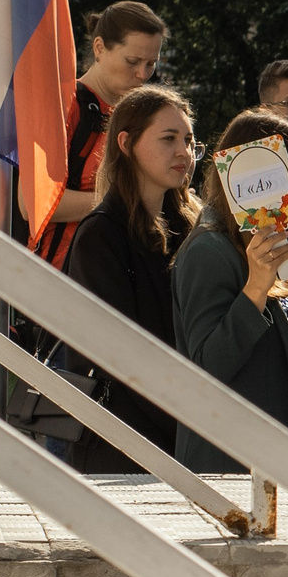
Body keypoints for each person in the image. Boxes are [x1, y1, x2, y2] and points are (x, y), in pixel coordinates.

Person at [171, 109, 288, 472]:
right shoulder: (208, 252)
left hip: (286, 457)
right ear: (259, 180)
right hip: (234, 467)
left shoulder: (265, 244)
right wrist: (256, 288)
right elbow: (207, 368)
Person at [59, 84, 196, 471]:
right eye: (168, 139)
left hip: (185, 433)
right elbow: (115, 355)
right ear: (126, 142)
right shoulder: (101, 233)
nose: (183, 152)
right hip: (121, 445)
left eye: (188, 139)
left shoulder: (191, 227)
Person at [34, 1, 165, 268]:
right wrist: (129, 200)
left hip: (118, 270)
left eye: (151, 63)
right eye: (133, 61)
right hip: (60, 277)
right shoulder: (62, 103)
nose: (143, 74)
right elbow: (34, 203)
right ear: (99, 48)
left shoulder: (140, 116)